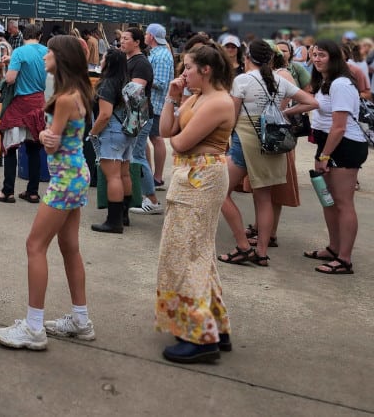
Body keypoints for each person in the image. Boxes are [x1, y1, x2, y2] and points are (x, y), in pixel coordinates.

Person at [0, 36, 94, 351]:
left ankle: (34, 327)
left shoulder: (65, 97)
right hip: (74, 174)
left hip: (65, 179)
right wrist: (48, 136)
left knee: (35, 246)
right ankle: (80, 319)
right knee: (69, 248)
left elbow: (52, 139)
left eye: (50, 51)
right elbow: (58, 137)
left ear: (60, 57)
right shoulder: (76, 91)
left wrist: (43, 134)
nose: (44, 56)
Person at [155, 42, 235, 364]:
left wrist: (178, 137)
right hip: (191, 177)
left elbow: (180, 141)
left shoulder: (217, 102)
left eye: (188, 67)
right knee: (196, 251)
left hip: (202, 178)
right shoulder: (197, 97)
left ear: (206, 70)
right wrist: (172, 98)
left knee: (187, 253)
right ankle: (216, 326)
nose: (183, 73)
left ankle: (200, 337)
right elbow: (165, 131)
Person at [218, 40, 316, 267]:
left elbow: (231, 118)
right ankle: (261, 252)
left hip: (245, 141)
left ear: (247, 57)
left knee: (221, 190)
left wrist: (222, 142)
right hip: (272, 142)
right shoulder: (280, 80)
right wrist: (284, 111)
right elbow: (312, 102)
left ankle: (242, 245)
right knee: (264, 199)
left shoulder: (242, 80)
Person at [305, 39, 368, 275]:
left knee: (343, 203)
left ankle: (344, 259)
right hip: (328, 144)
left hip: (344, 146)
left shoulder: (341, 84)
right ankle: (333, 248)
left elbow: (339, 127)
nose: (317, 59)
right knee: (328, 200)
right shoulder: (326, 82)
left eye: (322, 55)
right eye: (314, 55)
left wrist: (325, 155)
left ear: (334, 57)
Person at [0, 23, 48, 204]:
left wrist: (10, 68)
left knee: (10, 146)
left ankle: (7, 191)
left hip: (20, 103)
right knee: (34, 148)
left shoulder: (20, 52)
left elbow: (11, 78)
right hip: (39, 103)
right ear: (40, 35)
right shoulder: (47, 51)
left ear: (23, 35)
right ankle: (33, 192)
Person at [88, 48, 135, 233]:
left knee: (112, 176)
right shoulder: (127, 82)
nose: (101, 61)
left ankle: (114, 221)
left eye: (103, 59)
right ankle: (124, 215)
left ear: (109, 62)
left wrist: (93, 132)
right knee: (124, 174)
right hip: (127, 131)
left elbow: (105, 114)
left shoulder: (107, 84)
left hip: (112, 132)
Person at [120, 27, 160, 216]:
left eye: (126, 38)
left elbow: (134, 91)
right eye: (121, 38)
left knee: (137, 156)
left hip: (140, 117)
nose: (122, 41)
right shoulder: (127, 60)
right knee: (135, 155)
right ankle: (144, 195)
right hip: (131, 116)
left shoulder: (141, 63)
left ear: (137, 42)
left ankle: (152, 200)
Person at [145, 23, 175, 190]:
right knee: (150, 138)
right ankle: (151, 174)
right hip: (153, 103)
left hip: (156, 104)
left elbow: (162, 83)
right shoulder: (158, 53)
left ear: (152, 36)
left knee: (156, 138)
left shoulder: (162, 56)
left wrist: (142, 78)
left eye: (146, 33)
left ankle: (157, 177)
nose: (144, 36)